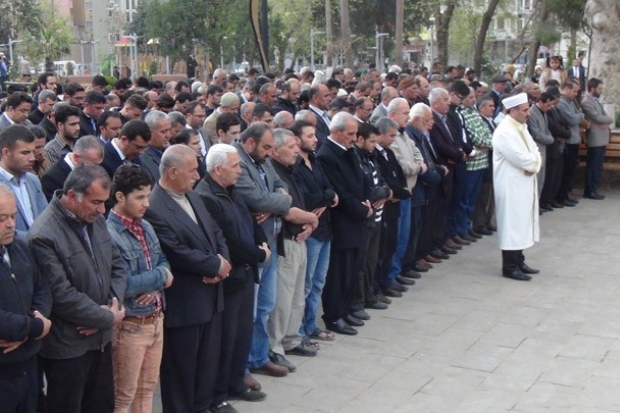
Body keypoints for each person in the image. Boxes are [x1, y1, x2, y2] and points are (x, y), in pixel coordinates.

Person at [27, 165, 126, 413]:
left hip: (100, 339)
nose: (102, 210)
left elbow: (118, 266)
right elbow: (60, 294)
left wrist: (110, 310)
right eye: (96, 202)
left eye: (105, 202)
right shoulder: (43, 235)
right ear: (72, 196)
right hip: (68, 347)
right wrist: (105, 317)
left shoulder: (96, 220)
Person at [143, 145, 231, 413]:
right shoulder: (155, 206)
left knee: (206, 365)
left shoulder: (193, 196)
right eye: (192, 170)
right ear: (172, 172)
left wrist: (223, 263)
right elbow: (176, 251)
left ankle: (202, 406)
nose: (197, 175)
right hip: (185, 303)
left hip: (211, 298)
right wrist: (215, 265)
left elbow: (216, 232)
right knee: (180, 372)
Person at [195, 144, 270, 410]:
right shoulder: (206, 197)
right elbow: (228, 241)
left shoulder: (233, 191)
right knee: (224, 341)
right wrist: (259, 255)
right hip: (229, 280)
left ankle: (236, 382)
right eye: (235, 166)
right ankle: (217, 395)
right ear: (217, 169)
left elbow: (252, 223)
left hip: (245, 275)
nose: (240, 171)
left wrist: (262, 243)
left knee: (241, 335)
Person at [107, 165, 173, 413]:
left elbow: (164, 261)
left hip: (155, 320)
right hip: (130, 327)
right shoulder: (110, 233)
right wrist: (160, 277)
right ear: (120, 196)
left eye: (148, 195)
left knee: (146, 391)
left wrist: (158, 281)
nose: (147, 203)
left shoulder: (145, 226)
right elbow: (123, 284)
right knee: (124, 397)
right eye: (140, 197)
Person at [233, 123, 292, 380]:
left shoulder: (263, 160)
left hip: (273, 239)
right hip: (255, 246)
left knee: (266, 306)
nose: (270, 153)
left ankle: (259, 357)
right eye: (266, 147)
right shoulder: (239, 162)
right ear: (250, 144)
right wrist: (276, 201)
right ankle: (243, 365)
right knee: (252, 310)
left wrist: (277, 201)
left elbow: (283, 186)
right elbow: (256, 200)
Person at [315, 112, 372, 335]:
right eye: (349, 134)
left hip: (358, 219)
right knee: (339, 273)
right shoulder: (326, 155)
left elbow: (363, 179)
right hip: (343, 222)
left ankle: (347, 309)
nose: (353, 138)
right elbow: (339, 191)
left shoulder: (350, 151)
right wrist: (361, 208)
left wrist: (368, 201)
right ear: (336, 132)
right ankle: (334, 315)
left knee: (353, 268)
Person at [267, 129, 319, 372]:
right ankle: (275, 347)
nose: (297, 150)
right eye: (291, 146)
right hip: (286, 240)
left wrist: (308, 224)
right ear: (275, 150)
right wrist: (312, 219)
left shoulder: (291, 170)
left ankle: (292, 338)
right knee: (283, 298)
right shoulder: (273, 172)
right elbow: (286, 210)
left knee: (298, 294)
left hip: (301, 237)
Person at [0, 184, 52, 413]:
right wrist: (35, 326)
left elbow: (42, 289)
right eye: (2, 218)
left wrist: (30, 327)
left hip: (29, 367)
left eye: (12, 216)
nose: (11, 224)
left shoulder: (19, 247)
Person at [492, 93, 541, 281]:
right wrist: (533, 164)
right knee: (512, 225)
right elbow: (520, 157)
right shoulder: (505, 131)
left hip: (523, 183)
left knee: (522, 222)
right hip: (510, 185)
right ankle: (509, 266)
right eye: (525, 110)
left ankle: (519, 260)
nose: (528, 113)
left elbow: (534, 151)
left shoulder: (521, 127)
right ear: (513, 111)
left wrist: (534, 163)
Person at [0, 125, 48, 237]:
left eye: (33, 151)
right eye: (25, 153)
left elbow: (45, 218)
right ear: (6, 153)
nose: (32, 158)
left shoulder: (33, 180)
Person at [41, 135, 104, 201]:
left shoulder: (91, 163)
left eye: (98, 165)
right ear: (76, 157)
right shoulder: (51, 179)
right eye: (91, 166)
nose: (96, 170)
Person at [581, 78, 614, 200]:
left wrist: (606, 119)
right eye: (599, 88)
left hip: (601, 137)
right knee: (593, 166)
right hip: (595, 137)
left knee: (598, 165)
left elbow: (602, 116)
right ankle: (589, 191)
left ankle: (594, 189)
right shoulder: (586, 102)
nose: (601, 91)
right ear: (592, 88)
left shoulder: (595, 100)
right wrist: (610, 119)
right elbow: (598, 117)